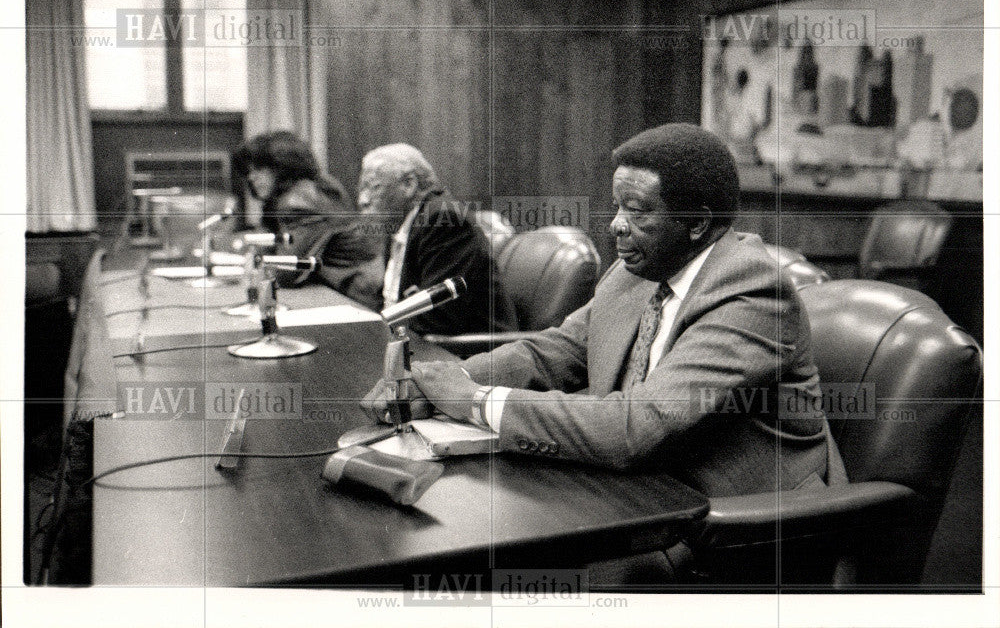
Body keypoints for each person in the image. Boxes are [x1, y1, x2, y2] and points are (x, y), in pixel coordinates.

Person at [362, 124, 846, 498]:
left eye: (637, 211)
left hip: (739, 518)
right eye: (616, 206)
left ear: (697, 224)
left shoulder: (751, 290)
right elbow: (553, 351)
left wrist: (474, 400)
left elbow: (638, 425)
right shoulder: (635, 271)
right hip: (639, 489)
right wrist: (437, 386)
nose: (616, 225)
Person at [357, 143, 518, 336]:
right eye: (361, 189)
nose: (362, 200)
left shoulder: (444, 220)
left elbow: (438, 319)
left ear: (409, 184)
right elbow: (388, 299)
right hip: (416, 340)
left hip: (469, 352)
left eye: (374, 187)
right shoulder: (401, 221)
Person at [232, 131, 382, 309]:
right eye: (249, 171)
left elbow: (285, 273)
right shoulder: (315, 187)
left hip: (356, 297)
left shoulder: (300, 200)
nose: (251, 177)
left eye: (259, 169)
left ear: (283, 166)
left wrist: (257, 259)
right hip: (345, 290)